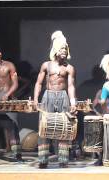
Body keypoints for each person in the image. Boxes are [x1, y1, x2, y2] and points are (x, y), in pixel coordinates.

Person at [34, 30, 77, 169]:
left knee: (64, 127)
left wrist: (73, 102)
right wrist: (36, 99)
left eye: (66, 49)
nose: (64, 51)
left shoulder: (70, 68)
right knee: (44, 126)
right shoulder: (46, 65)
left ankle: (63, 160)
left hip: (63, 97)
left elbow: (70, 86)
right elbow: (38, 83)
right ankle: (43, 160)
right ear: (56, 50)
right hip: (48, 96)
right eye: (62, 49)